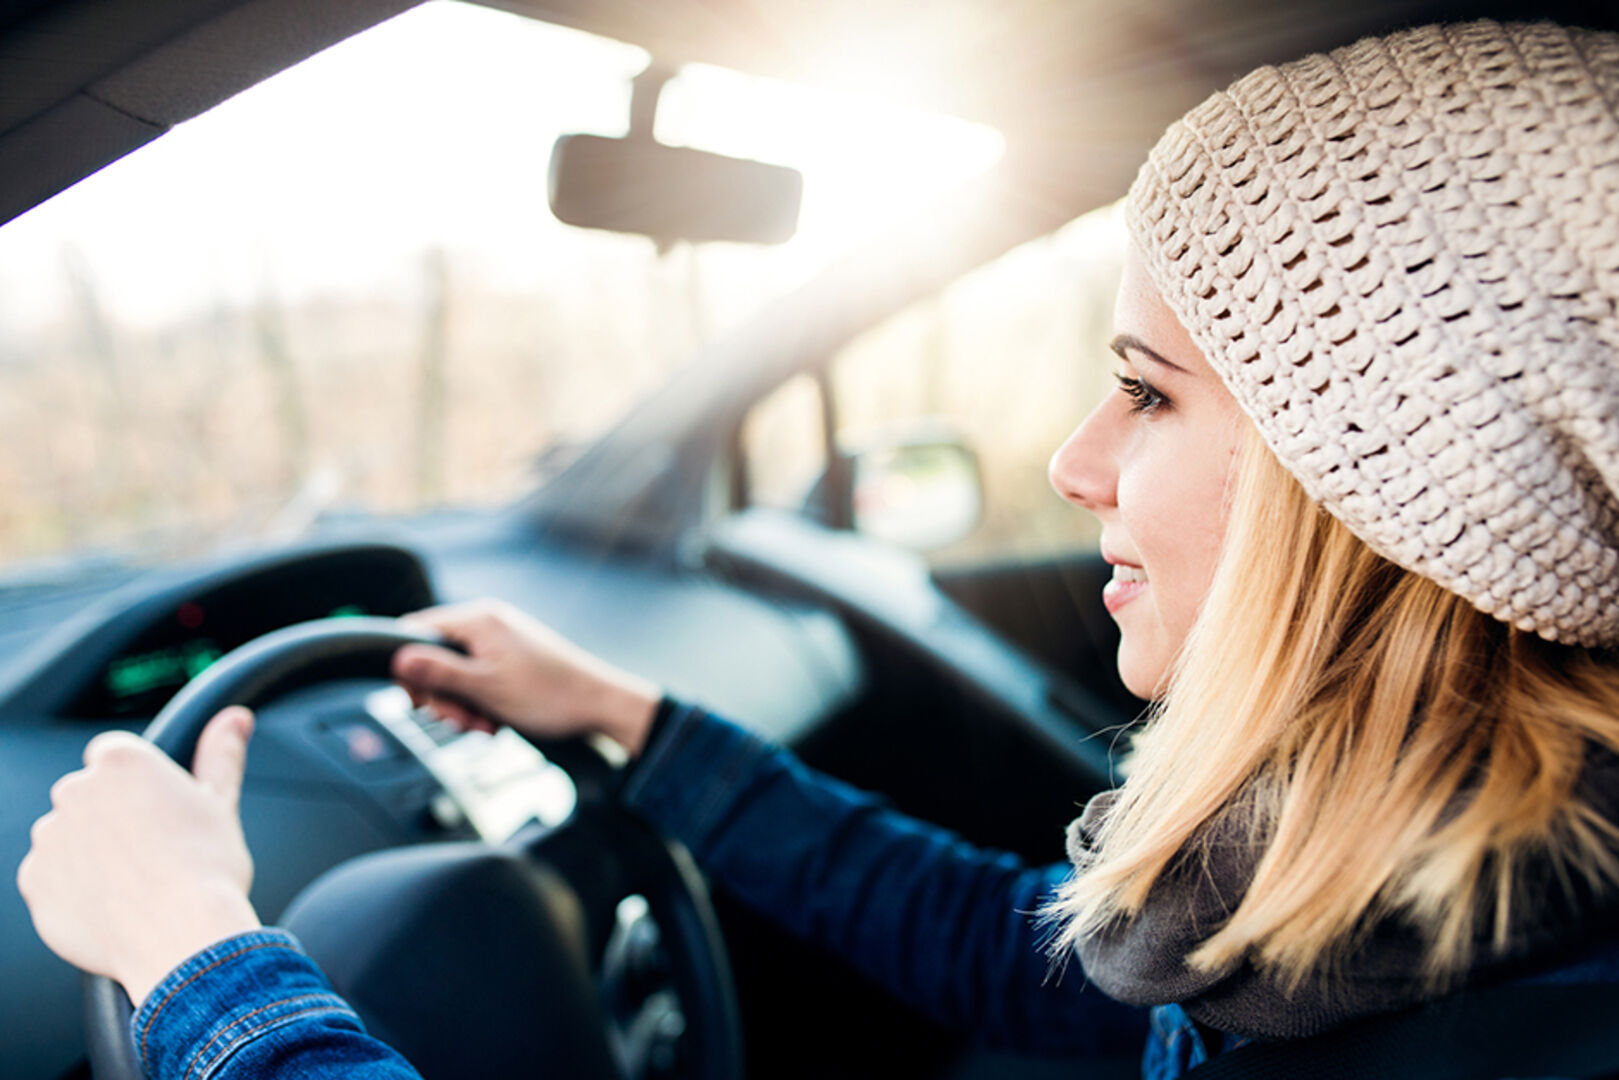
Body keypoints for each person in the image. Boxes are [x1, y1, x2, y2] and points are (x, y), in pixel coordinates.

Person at [16, 17, 1619, 1080]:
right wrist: (633, 721)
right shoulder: (1398, 869)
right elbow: (1030, 957)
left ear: (1386, 483)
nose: (1073, 463)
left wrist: (195, 959)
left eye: (1146, 392)